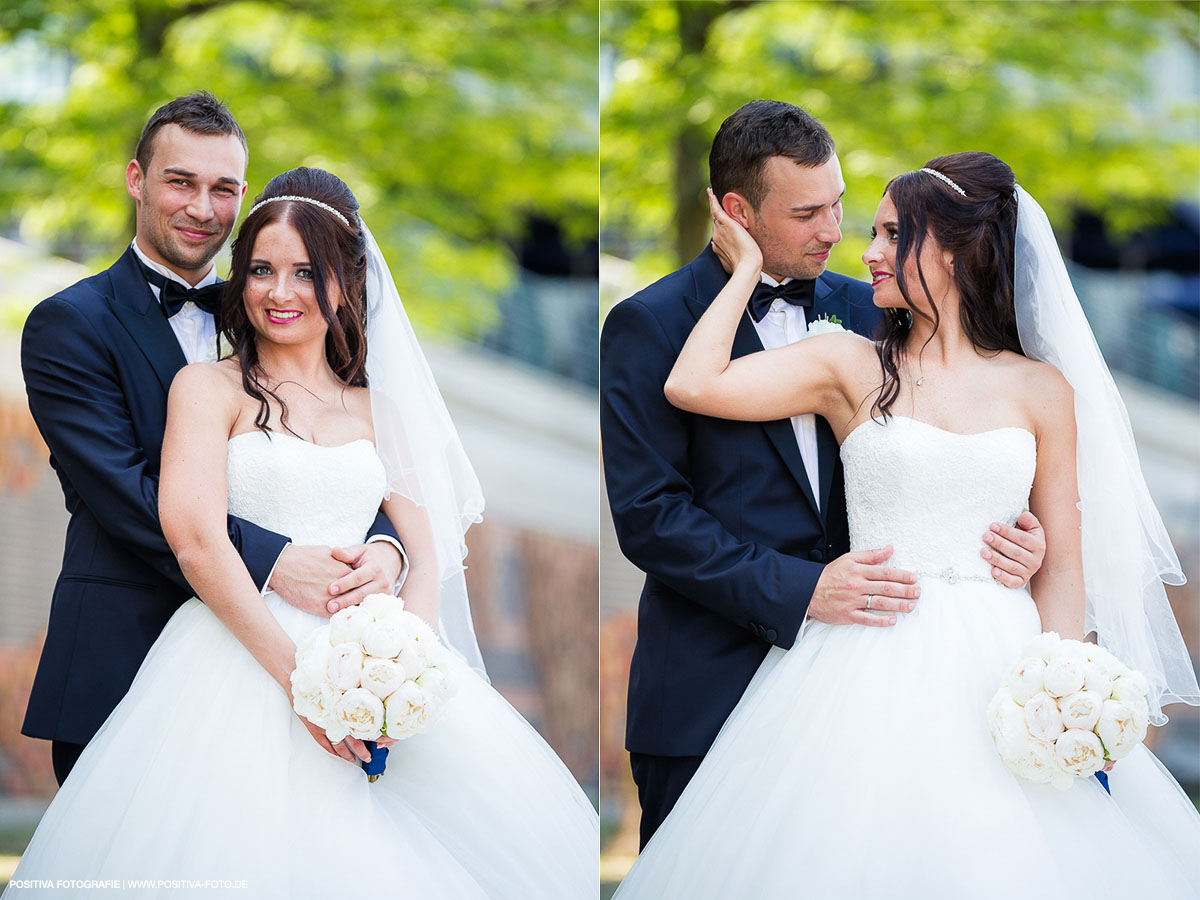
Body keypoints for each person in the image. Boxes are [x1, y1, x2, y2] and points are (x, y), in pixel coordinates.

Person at [613, 152, 1200, 898]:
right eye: (872, 232)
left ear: (955, 250)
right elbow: (692, 384)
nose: (866, 252)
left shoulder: (1043, 390)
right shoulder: (848, 362)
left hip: (1002, 660)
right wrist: (741, 273)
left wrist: (1059, 690)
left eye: (892, 235)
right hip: (864, 656)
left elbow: (1064, 565)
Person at [5, 168, 598, 898]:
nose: (278, 292)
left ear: (346, 283)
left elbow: (425, 546)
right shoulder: (208, 389)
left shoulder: (379, 408)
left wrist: (404, 664)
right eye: (260, 270)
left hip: (367, 658)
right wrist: (304, 687)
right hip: (234, 657)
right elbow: (194, 540)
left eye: (304, 273)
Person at [599, 100, 1047, 847]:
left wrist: (1014, 539)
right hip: (710, 687)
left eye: (840, 204)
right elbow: (651, 517)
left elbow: (953, 445)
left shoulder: (879, 309)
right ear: (737, 211)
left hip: (877, 688)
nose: (836, 233)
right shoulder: (649, 324)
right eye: (808, 213)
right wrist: (804, 590)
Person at [20, 92, 405, 786]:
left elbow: (337, 453)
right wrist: (276, 560)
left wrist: (383, 544)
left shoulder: (276, 303)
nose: (202, 207)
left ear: (244, 197)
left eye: (222, 189)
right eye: (180, 182)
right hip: (129, 651)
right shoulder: (69, 325)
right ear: (136, 179)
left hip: (300, 645)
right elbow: (128, 493)